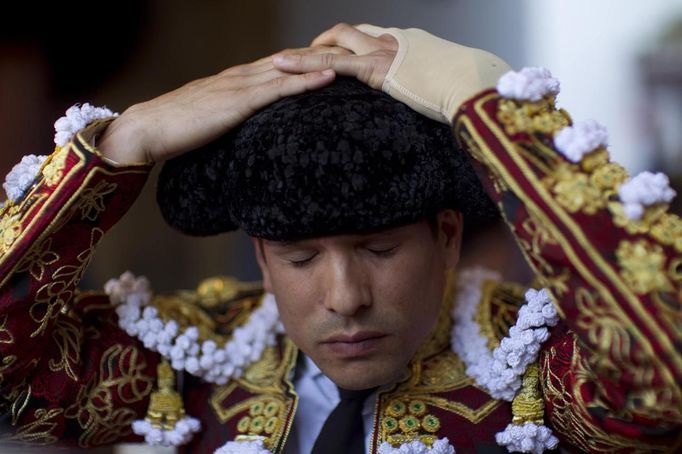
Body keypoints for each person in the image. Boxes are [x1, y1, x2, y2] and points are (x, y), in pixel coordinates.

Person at [0, 23, 680, 454]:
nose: (345, 297)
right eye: (301, 258)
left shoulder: (529, 363)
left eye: (380, 250)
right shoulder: (189, 363)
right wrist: (120, 145)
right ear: (262, 259)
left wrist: (492, 112)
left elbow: (663, 378)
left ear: (447, 238)